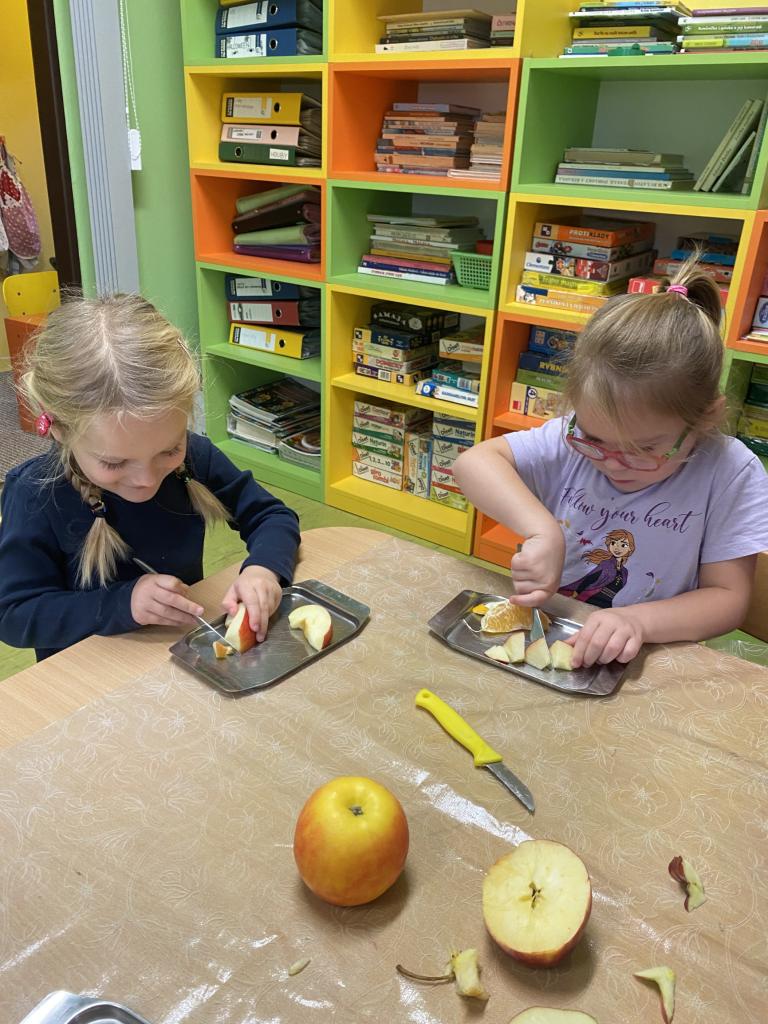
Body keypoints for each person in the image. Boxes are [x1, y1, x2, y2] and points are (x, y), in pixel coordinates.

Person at [454, 259, 768, 669]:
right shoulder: (569, 438)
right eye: (595, 439)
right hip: (559, 635)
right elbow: (473, 463)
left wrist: (636, 621)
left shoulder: (730, 472)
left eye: (644, 448)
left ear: (706, 418)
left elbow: (727, 600)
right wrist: (542, 530)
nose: (614, 463)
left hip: (651, 653)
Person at [0, 294, 301, 661]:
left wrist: (263, 570)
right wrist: (123, 603)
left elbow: (272, 516)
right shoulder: (34, 495)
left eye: (169, 451)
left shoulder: (195, 457)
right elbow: (14, 614)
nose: (145, 480)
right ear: (59, 429)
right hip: (87, 678)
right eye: (114, 463)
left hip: (176, 658)